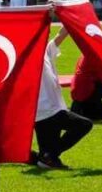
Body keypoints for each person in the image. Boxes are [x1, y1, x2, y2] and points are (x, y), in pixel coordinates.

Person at [31, 23, 92, 169]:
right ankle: (47, 156)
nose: (47, 34)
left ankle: (46, 157)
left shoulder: (46, 50)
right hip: (45, 109)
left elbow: (62, 34)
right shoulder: (27, 55)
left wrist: (68, 16)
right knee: (84, 125)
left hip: (51, 107)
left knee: (48, 150)